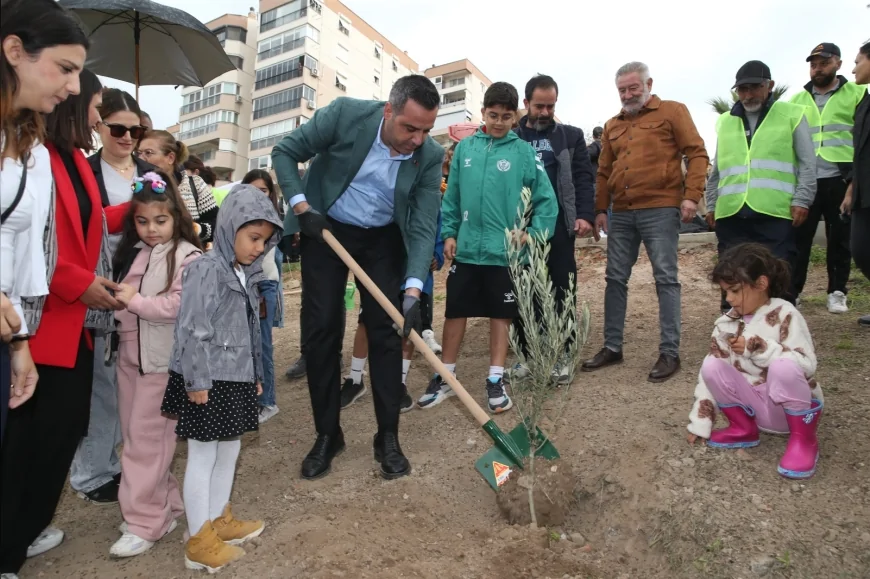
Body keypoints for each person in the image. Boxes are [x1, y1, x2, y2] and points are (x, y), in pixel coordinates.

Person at [272, 75, 443, 481]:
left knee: (387, 331)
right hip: (326, 226)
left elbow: (421, 225)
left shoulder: (429, 155)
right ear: (389, 111)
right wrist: (301, 206)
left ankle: (387, 437)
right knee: (322, 330)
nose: (417, 139)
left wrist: (414, 289)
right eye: (409, 128)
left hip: (383, 238)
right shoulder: (346, 115)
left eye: (425, 130)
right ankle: (328, 434)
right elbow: (285, 151)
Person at [0, 68, 117, 576]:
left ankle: (24, 528)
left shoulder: (74, 162)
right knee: (30, 443)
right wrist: (77, 283)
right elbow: (38, 247)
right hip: (44, 322)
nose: (96, 112)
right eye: (94, 103)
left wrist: (143, 203)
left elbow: (89, 223)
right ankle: (10, 543)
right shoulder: (38, 157)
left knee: (59, 435)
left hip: (73, 326)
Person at [418, 81, 558, 412]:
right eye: (493, 115)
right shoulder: (465, 149)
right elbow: (451, 197)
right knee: (456, 311)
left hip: (505, 254)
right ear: (482, 112)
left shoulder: (524, 152)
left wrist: (533, 234)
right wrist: (449, 233)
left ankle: (496, 378)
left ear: (515, 117)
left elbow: (546, 200)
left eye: (506, 117)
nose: (498, 122)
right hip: (466, 250)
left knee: (501, 314)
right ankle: (446, 376)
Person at [160, 185, 277, 572]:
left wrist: (256, 375)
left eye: (265, 240)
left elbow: (251, 330)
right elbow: (192, 328)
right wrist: (196, 381)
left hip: (237, 377)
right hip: (208, 378)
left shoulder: (246, 273)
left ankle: (217, 521)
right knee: (202, 454)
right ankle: (198, 540)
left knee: (230, 449)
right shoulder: (205, 269)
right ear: (229, 227)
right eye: (253, 238)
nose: (259, 247)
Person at [583, 62, 708, 383]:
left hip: (660, 208)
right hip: (621, 212)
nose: (627, 95)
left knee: (666, 278)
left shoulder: (672, 112)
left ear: (648, 83)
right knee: (614, 278)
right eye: (622, 90)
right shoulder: (613, 124)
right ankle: (612, 346)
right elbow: (604, 171)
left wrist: (691, 195)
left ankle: (670, 352)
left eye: (632, 88)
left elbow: (697, 153)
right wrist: (600, 209)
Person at [0, 0, 87, 452]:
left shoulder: (30, 150)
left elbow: (17, 247)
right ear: (15, 50)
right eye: (65, 68)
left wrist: (19, 344)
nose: (74, 88)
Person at [108, 171, 202, 557]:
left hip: (162, 365)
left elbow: (180, 307)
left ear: (176, 217)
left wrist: (132, 301)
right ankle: (164, 506)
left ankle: (147, 521)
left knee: (145, 444)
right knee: (140, 441)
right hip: (131, 360)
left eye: (160, 221)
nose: (150, 229)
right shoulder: (137, 253)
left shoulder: (187, 255)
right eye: (142, 221)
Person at [69, 87, 153, 506]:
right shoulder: (83, 172)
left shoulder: (149, 173)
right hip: (101, 292)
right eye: (118, 128)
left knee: (135, 383)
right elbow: (79, 226)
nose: (126, 137)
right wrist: (120, 217)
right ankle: (92, 471)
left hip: (144, 291)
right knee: (103, 385)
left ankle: (118, 461)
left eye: (134, 129)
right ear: (99, 126)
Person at [687, 243, 824, 480]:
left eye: (735, 291)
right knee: (711, 364)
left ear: (761, 284)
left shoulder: (785, 313)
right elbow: (708, 379)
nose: (729, 299)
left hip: (787, 413)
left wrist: (758, 347)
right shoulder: (725, 325)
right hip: (753, 409)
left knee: (783, 364)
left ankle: (804, 441)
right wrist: (701, 422)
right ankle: (743, 429)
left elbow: (805, 364)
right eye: (725, 292)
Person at [705, 61, 816, 312]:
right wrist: (711, 204)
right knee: (732, 272)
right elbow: (718, 169)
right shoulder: (725, 121)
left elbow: (808, 163)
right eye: (742, 89)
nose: (748, 94)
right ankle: (733, 327)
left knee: (776, 272)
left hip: (774, 211)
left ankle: (780, 324)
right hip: (731, 212)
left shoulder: (792, 114)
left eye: (754, 87)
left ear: (770, 86)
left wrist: (802, 199)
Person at [512, 74, 595, 383]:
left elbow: (584, 177)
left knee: (562, 289)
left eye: (551, 106)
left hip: (559, 224)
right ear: (526, 104)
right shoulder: (512, 136)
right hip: (521, 226)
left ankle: (563, 355)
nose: (545, 112)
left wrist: (584, 214)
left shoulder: (570, 136)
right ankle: (528, 356)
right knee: (525, 289)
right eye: (539, 106)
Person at [340, 210, 445, 412]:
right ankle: (355, 379)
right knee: (366, 323)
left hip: (417, 276)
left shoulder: (430, 203)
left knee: (409, 328)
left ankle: (399, 383)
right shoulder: (388, 195)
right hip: (382, 270)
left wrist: (437, 256)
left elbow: (436, 233)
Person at [791, 43, 865, 314]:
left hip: (841, 177)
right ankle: (793, 291)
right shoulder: (796, 101)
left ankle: (837, 291)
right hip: (808, 178)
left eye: (823, 63)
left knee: (840, 239)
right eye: (813, 64)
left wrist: (855, 179)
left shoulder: (857, 94)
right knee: (799, 239)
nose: (817, 68)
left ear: (838, 64)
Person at [240, 169, 285, 424]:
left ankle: (267, 401)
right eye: (252, 189)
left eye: (263, 190)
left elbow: (256, 254)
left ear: (270, 193)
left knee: (262, 344)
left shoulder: (270, 219)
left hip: (263, 284)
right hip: (242, 284)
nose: (257, 194)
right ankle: (252, 398)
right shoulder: (237, 215)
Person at [138, 130, 219, 245]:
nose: (141, 158)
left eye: (148, 153)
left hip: (189, 258)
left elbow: (217, 223)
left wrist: (194, 229)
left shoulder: (195, 184)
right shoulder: (138, 186)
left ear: (170, 158)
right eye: (139, 153)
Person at [844, 40, 870, 328]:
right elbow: (858, 151)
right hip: (864, 191)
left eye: (857, 61)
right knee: (861, 249)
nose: (854, 69)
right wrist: (852, 187)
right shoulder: (864, 103)